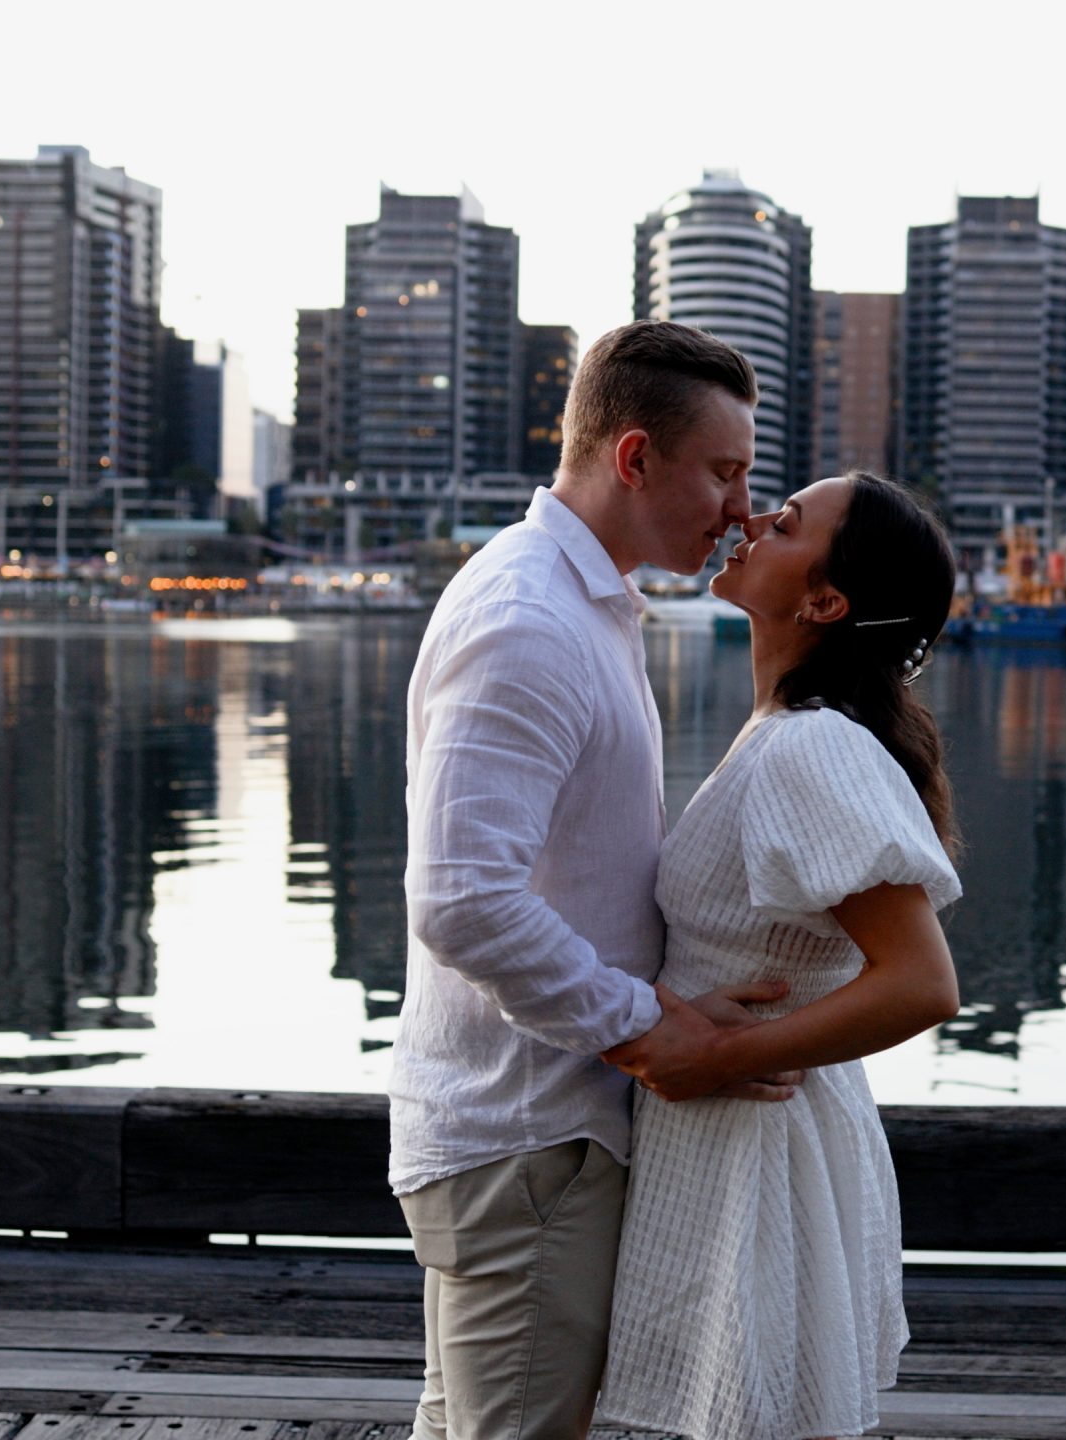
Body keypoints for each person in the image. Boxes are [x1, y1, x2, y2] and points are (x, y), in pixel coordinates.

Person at [391, 319, 804, 1440]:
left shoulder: (582, 605)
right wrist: (645, 1028)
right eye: (723, 472)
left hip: (534, 1132)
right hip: (529, 1141)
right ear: (633, 458)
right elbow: (461, 898)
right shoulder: (528, 621)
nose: (739, 506)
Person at [598, 471, 966, 1440]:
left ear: (824, 600)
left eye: (788, 522)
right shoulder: (783, 734)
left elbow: (922, 983)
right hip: (736, 1136)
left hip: (756, 1140)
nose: (754, 519)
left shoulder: (812, 749)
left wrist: (718, 1057)